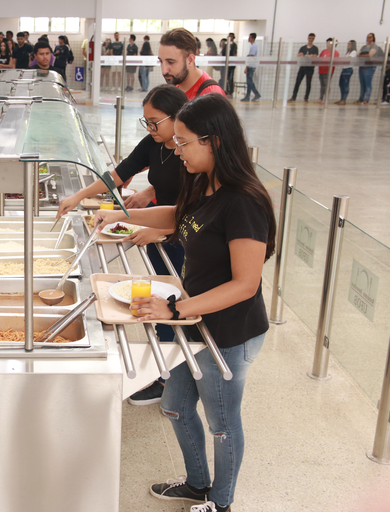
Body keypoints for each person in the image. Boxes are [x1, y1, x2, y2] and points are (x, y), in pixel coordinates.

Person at [93, 93, 276, 512]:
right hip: (196, 320)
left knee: (223, 424)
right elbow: (179, 216)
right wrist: (122, 215)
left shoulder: (244, 202)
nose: (176, 152)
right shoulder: (203, 182)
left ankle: (222, 502)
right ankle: (197, 484)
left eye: (184, 143)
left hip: (228, 332)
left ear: (213, 141)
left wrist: (175, 310)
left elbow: (245, 285)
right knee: (175, 405)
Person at [58, 84, 188, 353]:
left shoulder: (190, 153)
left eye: (155, 123)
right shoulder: (154, 143)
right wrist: (79, 196)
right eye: (147, 123)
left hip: (183, 234)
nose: (150, 130)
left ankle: (172, 360)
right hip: (158, 227)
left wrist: (163, 231)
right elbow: (117, 175)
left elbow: (198, 207)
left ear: (178, 117)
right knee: (159, 295)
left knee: (178, 299)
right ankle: (163, 356)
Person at [158, 28, 226, 99]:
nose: (164, 71)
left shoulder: (210, 95)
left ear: (190, 60)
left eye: (171, 62)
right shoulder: (175, 87)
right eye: (161, 61)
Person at [355, 32, 385, 104]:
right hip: (362, 66)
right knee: (362, 83)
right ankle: (361, 98)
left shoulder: (375, 47)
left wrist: (363, 55)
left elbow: (370, 55)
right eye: (368, 37)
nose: (368, 38)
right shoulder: (364, 47)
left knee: (368, 83)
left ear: (373, 38)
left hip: (370, 67)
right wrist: (364, 55)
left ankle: (366, 99)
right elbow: (358, 54)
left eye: (370, 37)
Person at [289, 33, 319, 102]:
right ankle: (293, 97)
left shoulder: (315, 48)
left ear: (313, 39)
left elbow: (314, 56)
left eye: (312, 38)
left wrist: (308, 56)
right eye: (309, 38)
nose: (310, 40)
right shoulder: (303, 48)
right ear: (307, 38)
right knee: (297, 82)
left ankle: (306, 97)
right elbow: (299, 55)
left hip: (310, 68)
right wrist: (307, 57)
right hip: (302, 67)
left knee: (308, 83)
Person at [335, 40, 358, 105]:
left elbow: (348, 59)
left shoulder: (353, 52)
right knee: (341, 84)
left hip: (348, 69)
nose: (348, 45)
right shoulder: (348, 52)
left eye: (350, 44)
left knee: (345, 84)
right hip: (344, 69)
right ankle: (342, 98)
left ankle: (344, 99)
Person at [316, 38, 339, 102]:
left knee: (326, 85)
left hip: (328, 71)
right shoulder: (324, 51)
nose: (328, 44)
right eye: (327, 43)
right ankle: (320, 98)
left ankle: (326, 99)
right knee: (322, 85)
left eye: (329, 43)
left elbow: (334, 62)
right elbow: (319, 59)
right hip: (321, 70)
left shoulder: (335, 52)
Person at [241, 33, 261, 102]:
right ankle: (247, 96)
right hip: (251, 65)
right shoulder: (253, 46)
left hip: (251, 66)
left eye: (249, 37)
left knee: (250, 82)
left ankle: (256, 93)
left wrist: (246, 67)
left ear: (253, 38)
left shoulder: (253, 46)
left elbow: (251, 58)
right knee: (249, 82)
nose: (248, 39)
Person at [220, 32, 238, 97]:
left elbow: (234, 54)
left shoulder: (234, 45)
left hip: (231, 65)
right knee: (225, 78)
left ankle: (231, 91)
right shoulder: (226, 45)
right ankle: (225, 90)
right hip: (225, 65)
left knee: (230, 78)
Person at [381, 41, 390, 105]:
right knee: (384, 85)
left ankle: (387, 100)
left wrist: (385, 69)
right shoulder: (387, 52)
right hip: (387, 72)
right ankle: (383, 98)